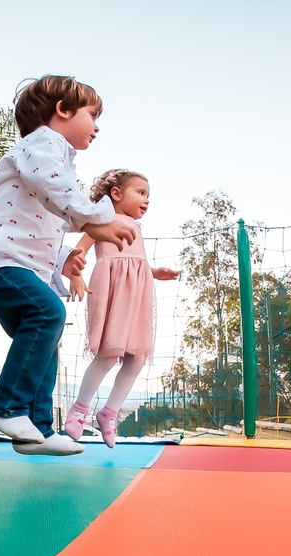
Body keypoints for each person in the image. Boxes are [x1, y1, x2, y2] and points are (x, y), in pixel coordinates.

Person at [0, 75, 137, 456]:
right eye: (92, 114)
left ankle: (37, 430)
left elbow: (40, 223)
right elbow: (55, 187)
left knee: (45, 341)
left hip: (4, 260)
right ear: (62, 111)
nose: (97, 126)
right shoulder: (43, 145)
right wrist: (97, 218)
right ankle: (6, 407)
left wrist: (65, 257)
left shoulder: (53, 156)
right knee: (48, 312)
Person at [61, 170, 179, 447]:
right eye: (140, 193)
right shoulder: (102, 218)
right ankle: (80, 409)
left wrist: (153, 272)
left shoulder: (136, 227)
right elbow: (80, 249)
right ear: (116, 194)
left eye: (148, 195)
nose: (146, 200)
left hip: (138, 292)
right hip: (112, 289)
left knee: (137, 356)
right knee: (109, 353)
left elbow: (132, 261)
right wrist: (76, 275)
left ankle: (109, 412)